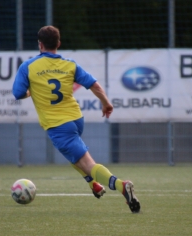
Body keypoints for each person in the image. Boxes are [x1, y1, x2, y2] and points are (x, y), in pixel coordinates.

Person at [12, 25, 140, 213]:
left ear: (40, 45)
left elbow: (18, 93)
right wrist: (106, 103)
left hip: (57, 125)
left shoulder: (28, 66)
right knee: (75, 155)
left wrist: (32, 91)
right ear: (58, 44)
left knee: (87, 163)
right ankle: (92, 184)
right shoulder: (70, 64)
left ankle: (121, 186)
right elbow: (94, 85)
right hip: (76, 119)